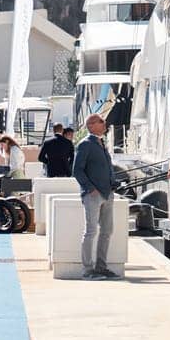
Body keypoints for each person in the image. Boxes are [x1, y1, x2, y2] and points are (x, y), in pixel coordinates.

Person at [71, 114, 117, 279]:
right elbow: (77, 170)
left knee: (107, 231)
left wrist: (113, 183)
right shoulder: (85, 145)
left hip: (107, 194)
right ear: (91, 125)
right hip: (93, 195)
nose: (105, 124)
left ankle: (101, 267)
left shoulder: (101, 144)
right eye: (101, 121)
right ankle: (87, 270)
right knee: (91, 232)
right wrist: (90, 189)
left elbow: (107, 167)